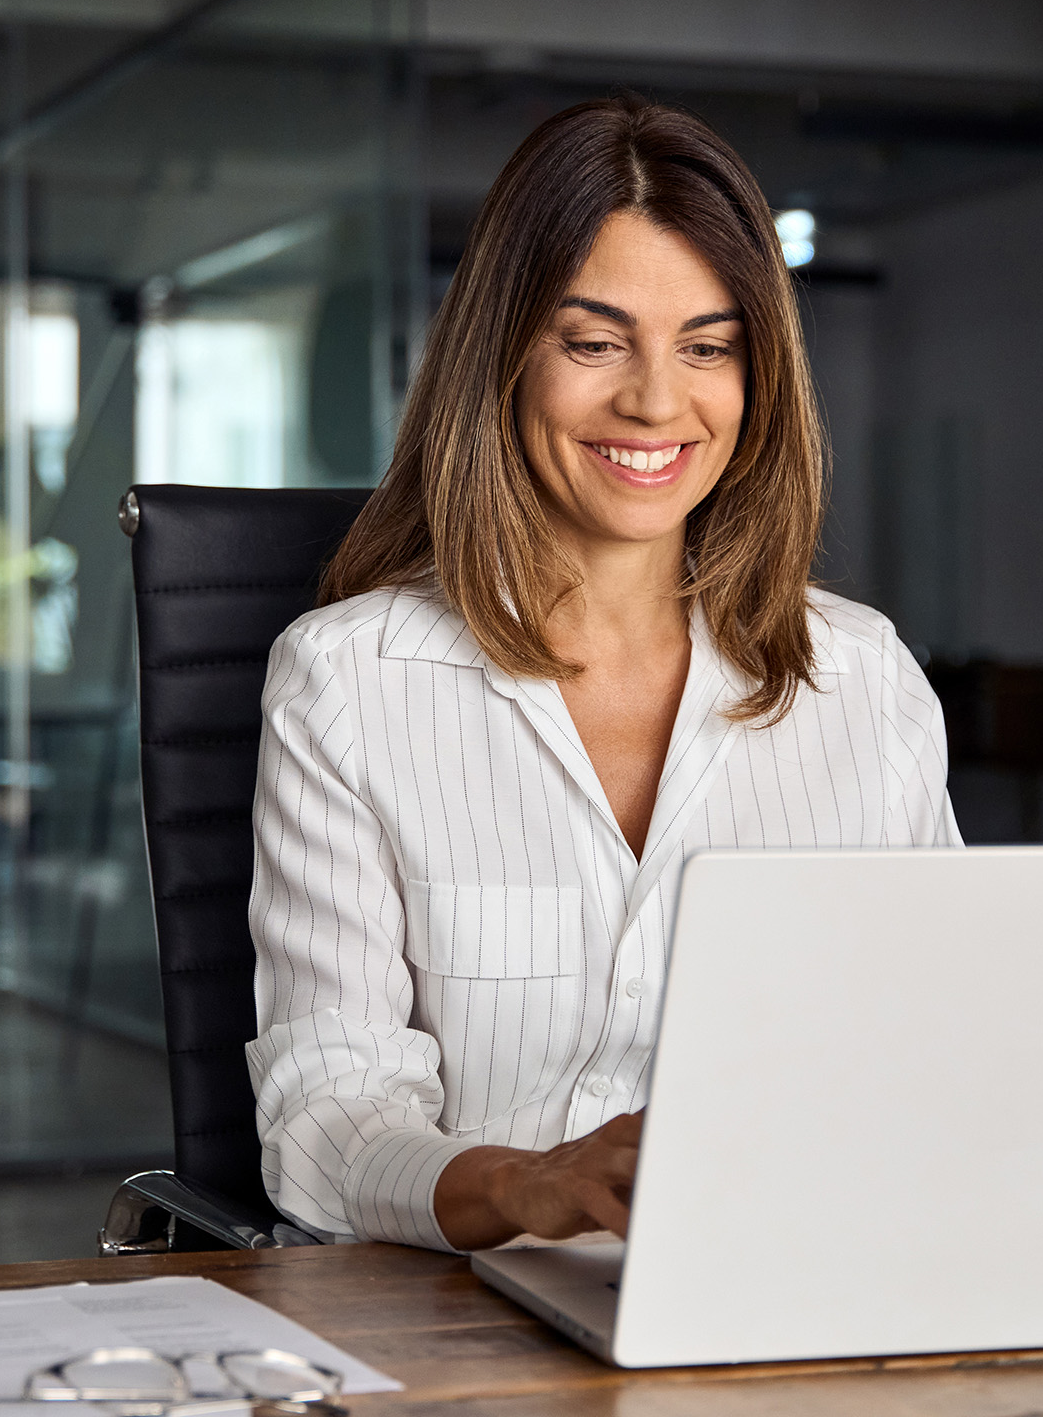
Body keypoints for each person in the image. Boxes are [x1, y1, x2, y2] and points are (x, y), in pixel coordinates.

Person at [248, 95, 961, 1252]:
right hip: (467, 1314)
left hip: (792, 1284)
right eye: (593, 342)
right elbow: (326, 1120)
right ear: (505, 357)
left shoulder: (862, 680)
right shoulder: (349, 683)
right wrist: (518, 1186)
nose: (655, 401)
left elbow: (945, 1046)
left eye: (708, 346)